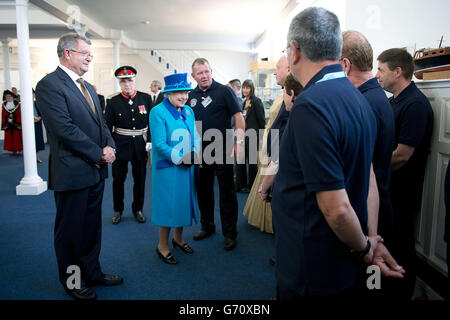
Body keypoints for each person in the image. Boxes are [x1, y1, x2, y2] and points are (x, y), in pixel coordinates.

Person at [271, 7, 381, 299]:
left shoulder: (310, 105)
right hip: (340, 261)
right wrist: (369, 236)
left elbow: (337, 208)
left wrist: (366, 248)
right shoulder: (359, 99)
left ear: (294, 51)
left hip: (311, 265)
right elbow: (369, 180)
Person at [35, 32, 122, 300]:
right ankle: (73, 281)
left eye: (90, 54)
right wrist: (99, 153)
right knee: (70, 232)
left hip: (95, 171)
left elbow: (101, 124)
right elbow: (64, 130)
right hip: (72, 172)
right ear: (67, 54)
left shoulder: (89, 87)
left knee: (91, 228)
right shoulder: (49, 85)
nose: (89, 58)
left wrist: (110, 147)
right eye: (85, 53)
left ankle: (92, 273)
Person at [341, 31, 405, 295]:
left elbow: (361, 171)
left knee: (367, 285)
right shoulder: (377, 97)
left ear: (346, 65)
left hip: (369, 213)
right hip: (376, 204)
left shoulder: (361, 103)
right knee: (371, 285)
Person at [376, 48, 434, 299]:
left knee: (399, 248)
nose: (377, 75)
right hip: (387, 189)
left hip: (402, 192)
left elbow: (401, 155)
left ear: (397, 72)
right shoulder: (394, 101)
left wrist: (369, 169)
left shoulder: (416, 105)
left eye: (381, 70)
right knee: (385, 245)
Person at [187, 57, 245, 251]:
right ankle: (207, 227)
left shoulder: (225, 91)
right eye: (200, 73)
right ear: (194, 76)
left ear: (211, 71)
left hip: (223, 148)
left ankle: (230, 233)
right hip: (200, 151)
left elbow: (238, 117)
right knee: (203, 191)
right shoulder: (189, 95)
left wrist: (239, 142)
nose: (204, 76)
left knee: (227, 192)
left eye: (206, 72)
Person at [150, 72, 200, 264]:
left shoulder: (188, 111)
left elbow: (195, 135)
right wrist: (182, 158)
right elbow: (160, 144)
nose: (184, 96)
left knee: (183, 203)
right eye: (179, 92)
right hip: (168, 169)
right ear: (168, 94)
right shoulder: (158, 112)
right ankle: (162, 246)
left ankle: (178, 239)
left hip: (187, 167)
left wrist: (195, 152)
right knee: (168, 206)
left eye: (186, 92)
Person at [244, 56, 289, 235]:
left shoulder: (291, 96)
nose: (275, 72)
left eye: (279, 68)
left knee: (270, 183)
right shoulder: (282, 94)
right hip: (270, 143)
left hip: (277, 147)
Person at [104, 66, 152, 224]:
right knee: (118, 180)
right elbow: (107, 126)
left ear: (135, 80)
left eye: (129, 80)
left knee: (140, 179)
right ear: (119, 83)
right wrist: (109, 145)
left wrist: (150, 140)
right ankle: (118, 210)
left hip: (140, 144)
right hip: (120, 144)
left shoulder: (146, 98)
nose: (127, 84)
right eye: (123, 81)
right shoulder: (112, 101)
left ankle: (138, 209)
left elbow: (152, 123)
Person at [235, 79, 266, 193]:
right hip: (243, 136)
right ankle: (241, 184)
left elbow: (261, 120)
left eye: (247, 88)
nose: (245, 90)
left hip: (253, 136)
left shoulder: (257, 101)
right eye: (244, 88)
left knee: (252, 163)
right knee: (241, 161)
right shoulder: (243, 102)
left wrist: (261, 138)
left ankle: (251, 186)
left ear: (251, 89)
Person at [1, 90, 23, 155]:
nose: (8, 98)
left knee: (17, 137)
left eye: (10, 96)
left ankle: (19, 150)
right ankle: (12, 150)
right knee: (9, 137)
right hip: (8, 123)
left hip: (16, 122)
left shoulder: (17, 104)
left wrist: (17, 122)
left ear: (13, 97)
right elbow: (3, 114)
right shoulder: (4, 105)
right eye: (7, 97)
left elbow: (19, 114)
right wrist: (4, 123)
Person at [33, 89, 45, 163]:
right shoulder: (23, 105)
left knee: (37, 141)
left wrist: (40, 118)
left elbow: (42, 112)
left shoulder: (37, 103)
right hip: (29, 126)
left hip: (37, 123)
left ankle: (37, 157)